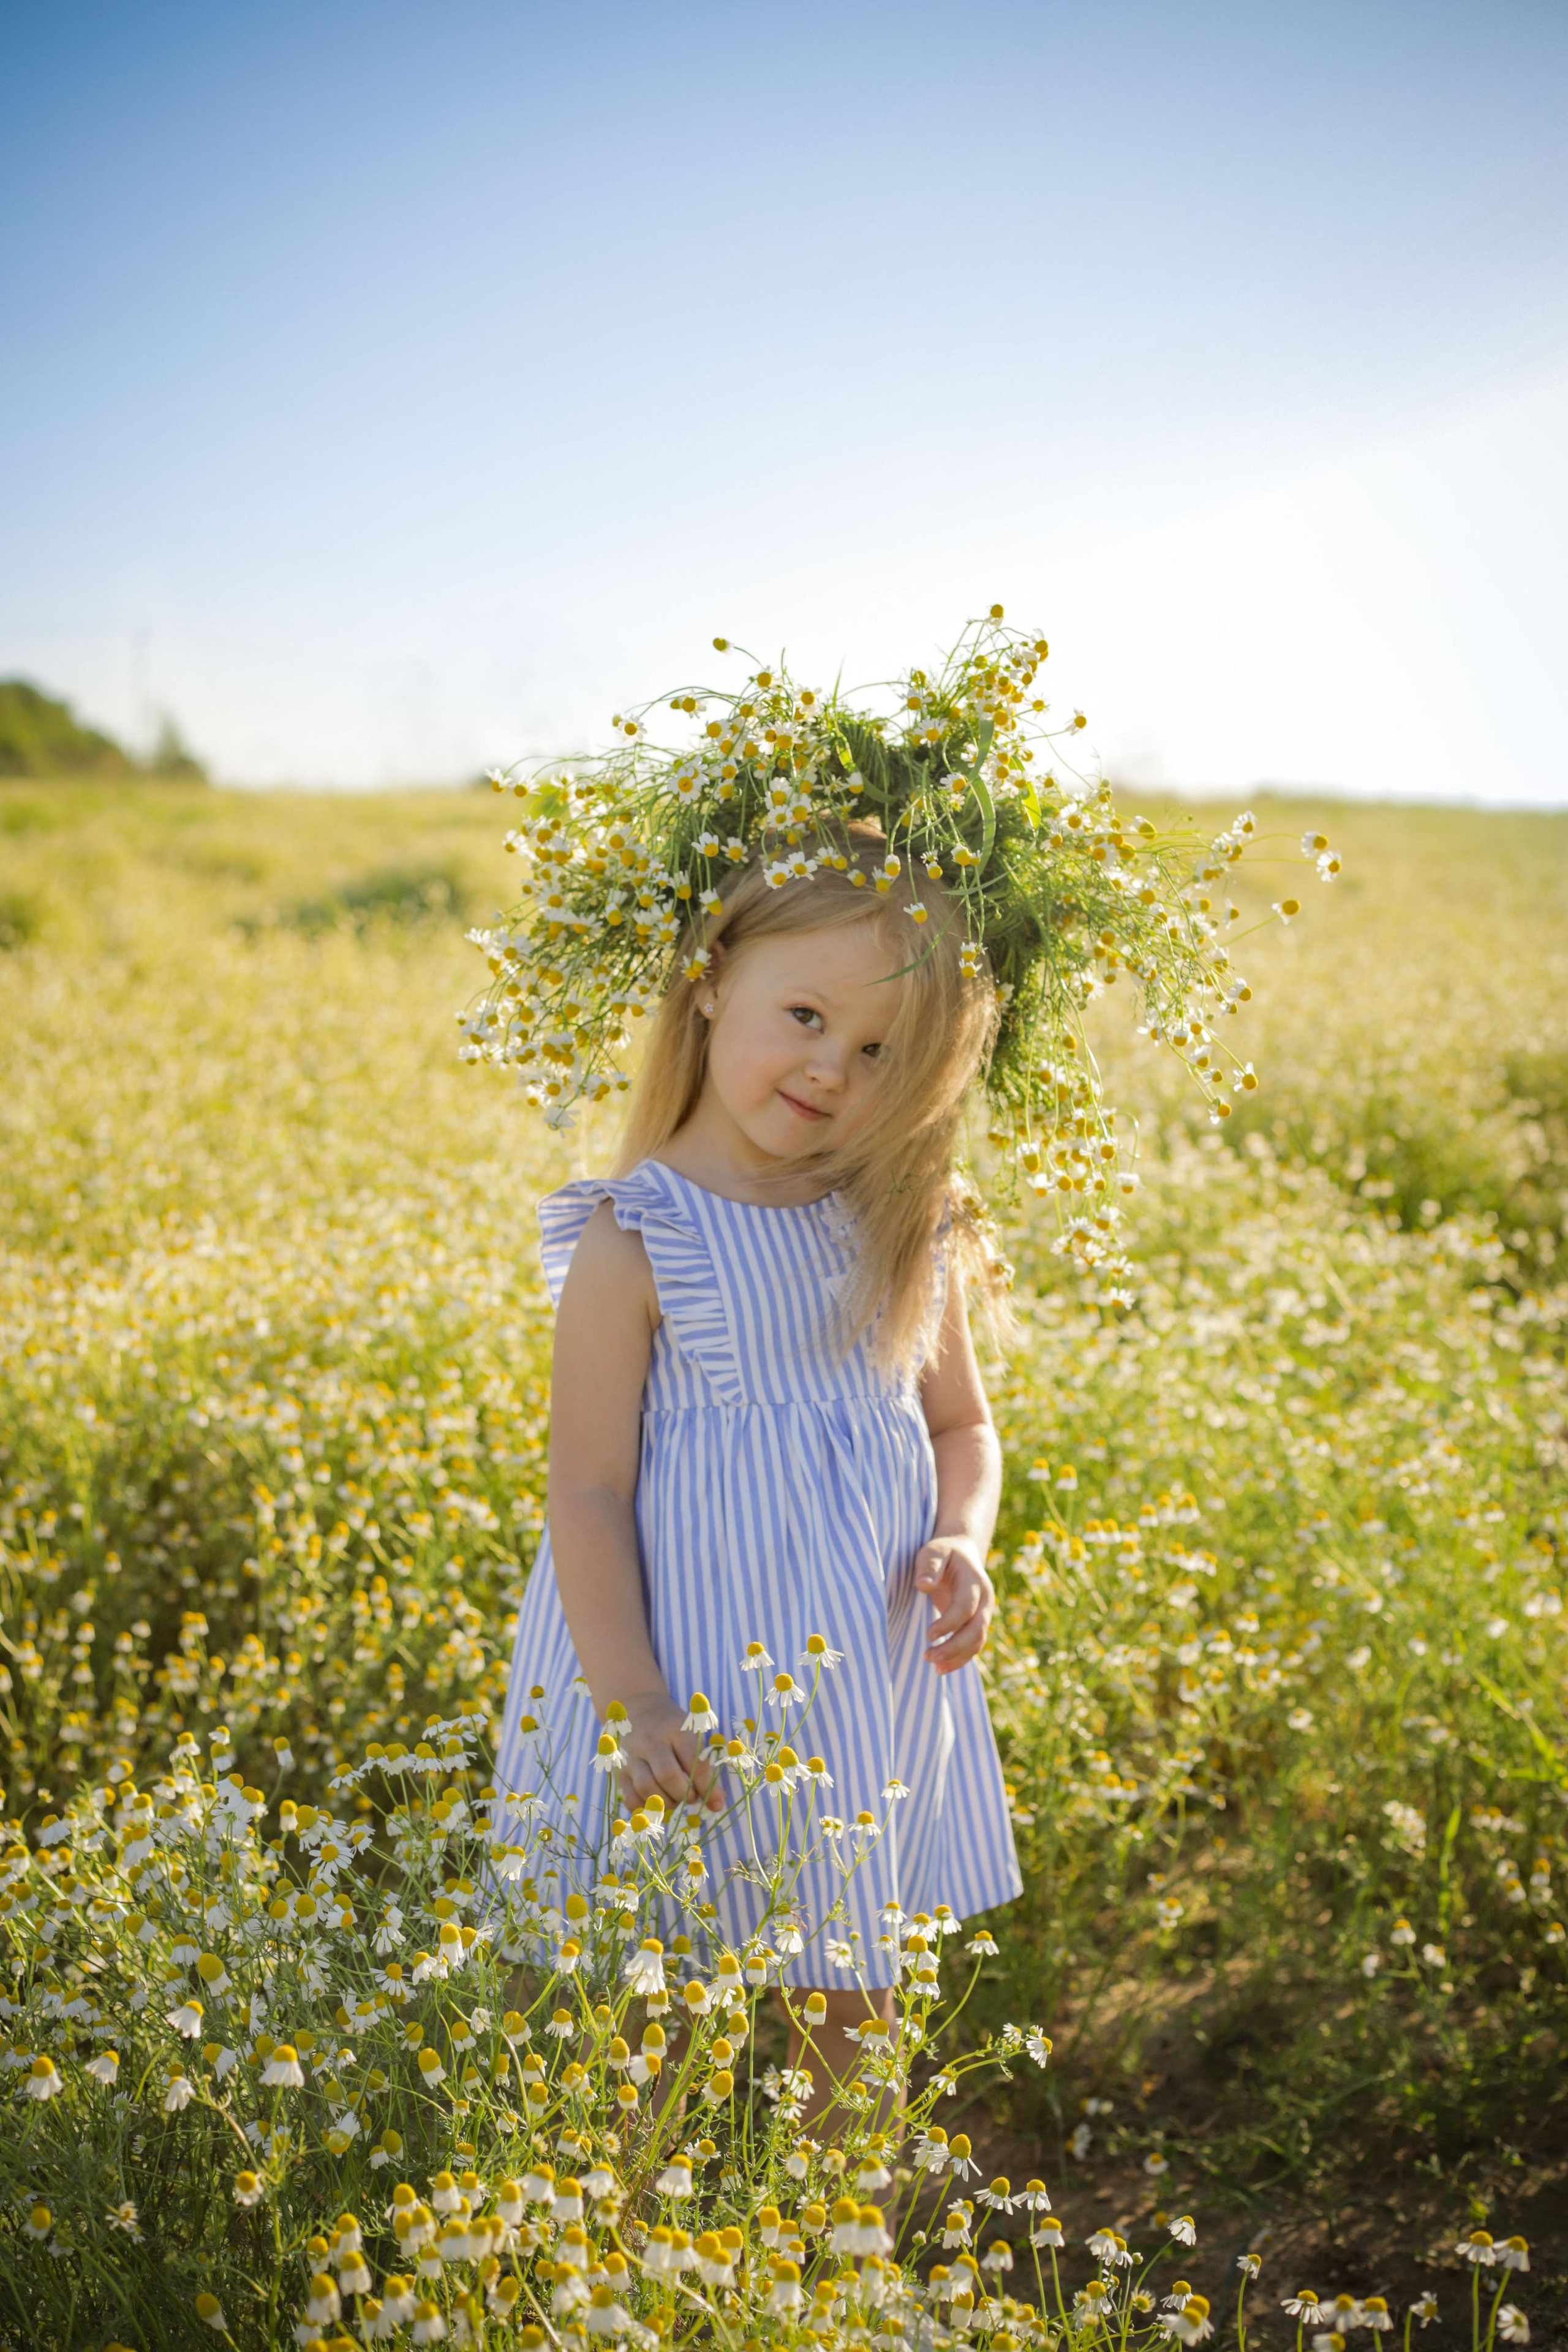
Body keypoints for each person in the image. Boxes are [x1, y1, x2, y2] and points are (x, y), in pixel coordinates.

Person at [492, 823, 1024, 2127]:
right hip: (670, 1683)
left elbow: (962, 1425)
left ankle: (835, 2278)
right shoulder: (637, 1235)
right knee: (644, 2004)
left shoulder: (905, 1214)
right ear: (711, 976)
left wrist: (963, 1536)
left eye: (877, 1051)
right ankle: (619, 2288)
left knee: (854, 1994)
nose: (829, 1070)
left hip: (851, 1670)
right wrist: (634, 1701)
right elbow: (587, 1493)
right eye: (802, 1013)